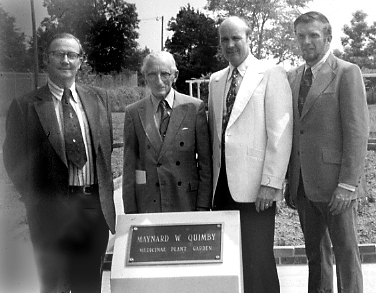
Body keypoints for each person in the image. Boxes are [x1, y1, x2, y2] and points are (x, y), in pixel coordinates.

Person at [3, 33, 116, 293]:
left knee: (89, 285)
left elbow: (104, 150)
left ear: (80, 61)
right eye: (58, 54)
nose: (65, 60)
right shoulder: (25, 106)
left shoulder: (100, 99)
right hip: (50, 213)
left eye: (72, 55)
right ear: (47, 60)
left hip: (92, 211)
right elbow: (13, 160)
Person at [285, 11, 369, 293]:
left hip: (338, 188)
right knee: (316, 258)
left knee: (347, 256)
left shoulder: (347, 72)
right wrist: (290, 179)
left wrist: (347, 185)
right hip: (304, 187)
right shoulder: (293, 77)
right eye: (301, 36)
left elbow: (357, 134)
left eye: (313, 35)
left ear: (328, 37)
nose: (306, 41)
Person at [208, 16, 293, 293]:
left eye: (236, 38)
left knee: (258, 261)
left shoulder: (270, 73)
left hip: (257, 189)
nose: (230, 44)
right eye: (225, 39)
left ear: (249, 38)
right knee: (229, 264)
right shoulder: (216, 80)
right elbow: (216, 133)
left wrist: (271, 183)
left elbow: (280, 132)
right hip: (221, 187)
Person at [122, 51, 212, 213]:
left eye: (165, 74)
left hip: (185, 201)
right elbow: (129, 167)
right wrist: (130, 211)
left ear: (175, 75)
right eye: (152, 74)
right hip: (149, 203)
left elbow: (205, 164)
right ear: (144, 77)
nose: (158, 81)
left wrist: (203, 205)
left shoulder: (194, 108)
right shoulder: (134, 112)